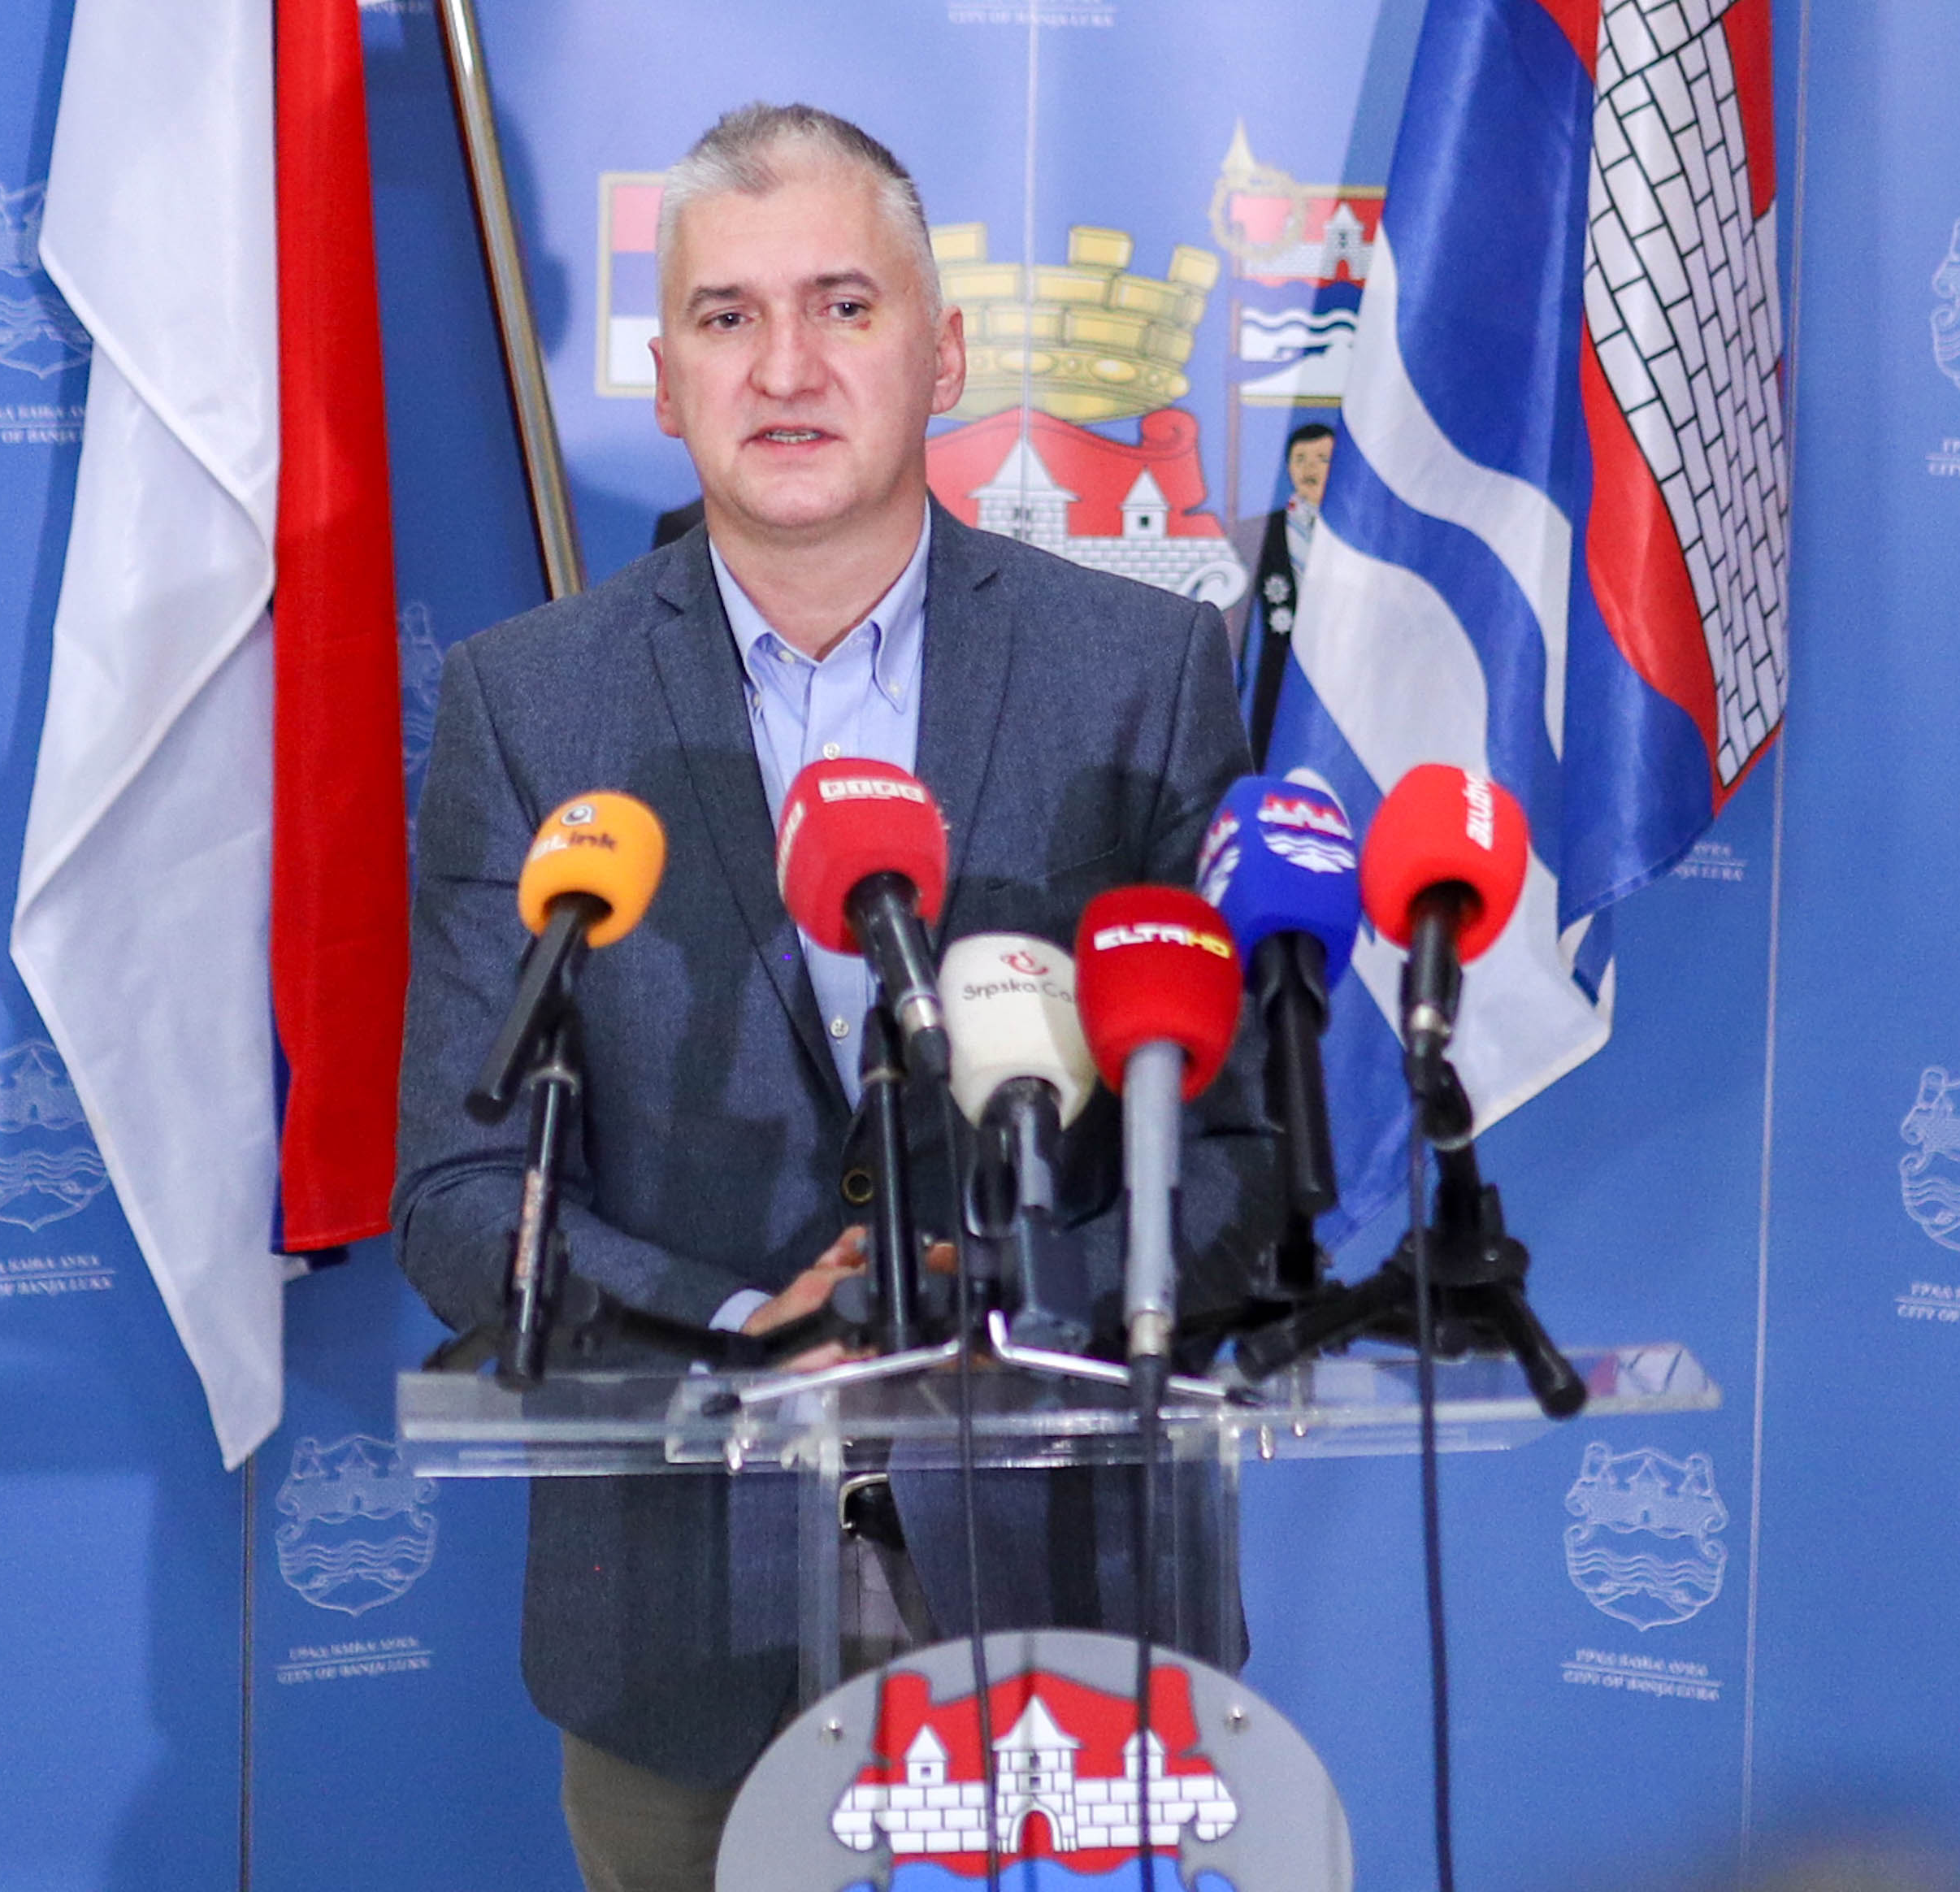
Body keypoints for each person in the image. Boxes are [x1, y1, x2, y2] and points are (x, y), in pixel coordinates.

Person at [393, 102, 1271, 1892]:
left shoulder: (1147, 672)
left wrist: (1002, 1313)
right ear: (662, 378)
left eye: (842, 307)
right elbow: (464, 1192)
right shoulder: (525, 706)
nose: (784, 368)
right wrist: (747, 1329)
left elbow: (1241, 1153)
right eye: (725, 317)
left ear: (942, 355)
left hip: (1073, 1613)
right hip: (681, 1641)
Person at [1224, 419, 1334, 766]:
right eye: (1300, 459)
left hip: (1340, 666)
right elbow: (1238, 612)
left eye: (1322, 459)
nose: (1309, 468)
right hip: (1280, 668)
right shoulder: (1257, 530)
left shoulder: (1357, 532)